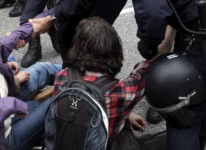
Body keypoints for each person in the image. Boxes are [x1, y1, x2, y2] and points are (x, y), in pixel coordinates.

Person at [100, 0, 206, 149]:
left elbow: (152, 16)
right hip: (195, 21)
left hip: (201, 31)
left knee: (184, 107)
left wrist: (148, 49)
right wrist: (168, 39)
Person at [51, 17, 161, 148]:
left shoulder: (61, 77)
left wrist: (127, 115)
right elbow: (146, 71)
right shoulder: (121, 91)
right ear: (114, 49)